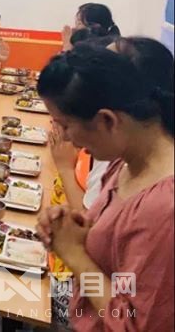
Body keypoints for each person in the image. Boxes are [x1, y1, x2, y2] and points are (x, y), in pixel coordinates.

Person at [36, 44, 174, 332]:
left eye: (65, 125)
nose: (66, 138)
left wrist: (73, 253)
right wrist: (75, 228)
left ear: (107, 120)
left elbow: (132, 324)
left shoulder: (164, 207)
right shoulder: (125, 162)